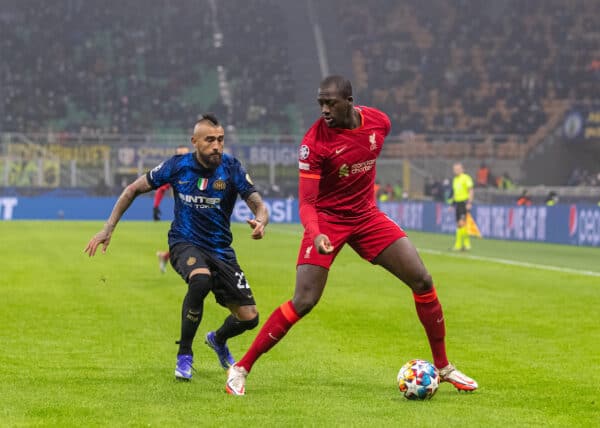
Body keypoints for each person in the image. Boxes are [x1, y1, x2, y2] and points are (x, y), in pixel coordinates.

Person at [225, 75, 478, 395]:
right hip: (327, 222)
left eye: (330, 103)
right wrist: (315, 233)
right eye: (320, 103)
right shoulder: (313, 144)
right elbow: (306, 203)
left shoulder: (378, 123)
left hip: (366, 217)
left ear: (349, 101)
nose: (324, 110)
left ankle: (443, 367)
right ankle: (241, 367)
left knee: (422, 280)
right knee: (304, 300)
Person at [85, 114, 269, 381]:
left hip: (220, 249)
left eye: (220, 140)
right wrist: (108, 228)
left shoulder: (232, 168)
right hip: (185, 242)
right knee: (200, 280)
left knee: (249, 318)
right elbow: (132, 189)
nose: (217, 146)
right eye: (210, 140)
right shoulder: (178, 166)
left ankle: (217, 339)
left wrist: (261, 221)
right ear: (194, 142)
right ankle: (184, 354)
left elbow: (258, 204)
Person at [154, 145, 191, 273]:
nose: (183, 158)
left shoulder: (198, 169)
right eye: (180, 156)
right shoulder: (176, 173)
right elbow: (161, 189)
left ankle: (165, 256)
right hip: (186, 216)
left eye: (185, 155)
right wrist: (156, 207)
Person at [450, 163, 474, 251]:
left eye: (457, 169)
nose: (456, 171)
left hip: (464, 203)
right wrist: (452, 205)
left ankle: (465, 244)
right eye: (454, 169)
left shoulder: (466, 178)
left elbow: (470, 190)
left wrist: (469, 202)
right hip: (458, 203)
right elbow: (455, 194)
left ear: (462, 169)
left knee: (462, 223)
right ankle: (460, 245)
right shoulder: (455, 180)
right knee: (459, 225)